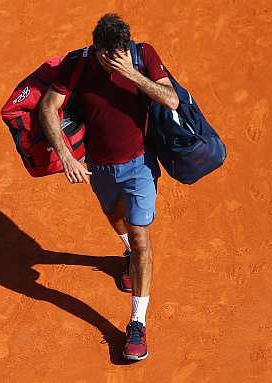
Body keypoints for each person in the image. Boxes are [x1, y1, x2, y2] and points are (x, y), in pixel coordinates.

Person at [39, 13, 179, 361]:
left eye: (122, 52)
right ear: (96, 48)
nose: (116, 58)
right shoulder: (78, 64)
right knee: (115, 219)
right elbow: (47, 107)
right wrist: (67, 157)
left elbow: (171, 99)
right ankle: (128, 254)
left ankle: (137, 325)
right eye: (110, 55)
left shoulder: (142, 56)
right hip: (98, 168)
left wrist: (131, 73)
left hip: (139, 166)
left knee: (142, 237)